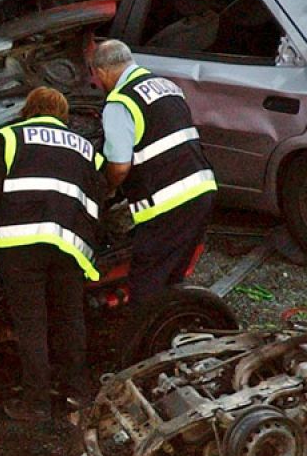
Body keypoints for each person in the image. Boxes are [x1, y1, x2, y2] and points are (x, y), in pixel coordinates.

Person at [0, 86, 102, 409]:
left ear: (28, 110)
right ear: (62, 115)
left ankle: (36, 402)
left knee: (32, 322)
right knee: (70, 317)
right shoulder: (85, 147)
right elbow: (98, 194)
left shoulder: (10, 137)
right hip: (69, 245)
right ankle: (77, 392)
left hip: (21, 245)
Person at [89, 40, 217, 303]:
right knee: (172, 277)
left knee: (147, 280)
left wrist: (107, 190)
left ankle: (144, 338)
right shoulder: (166, 86)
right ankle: (173, 327)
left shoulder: (119, 102)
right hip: (202, 191)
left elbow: (120, 165)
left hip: (168, 204)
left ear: (102, 72)